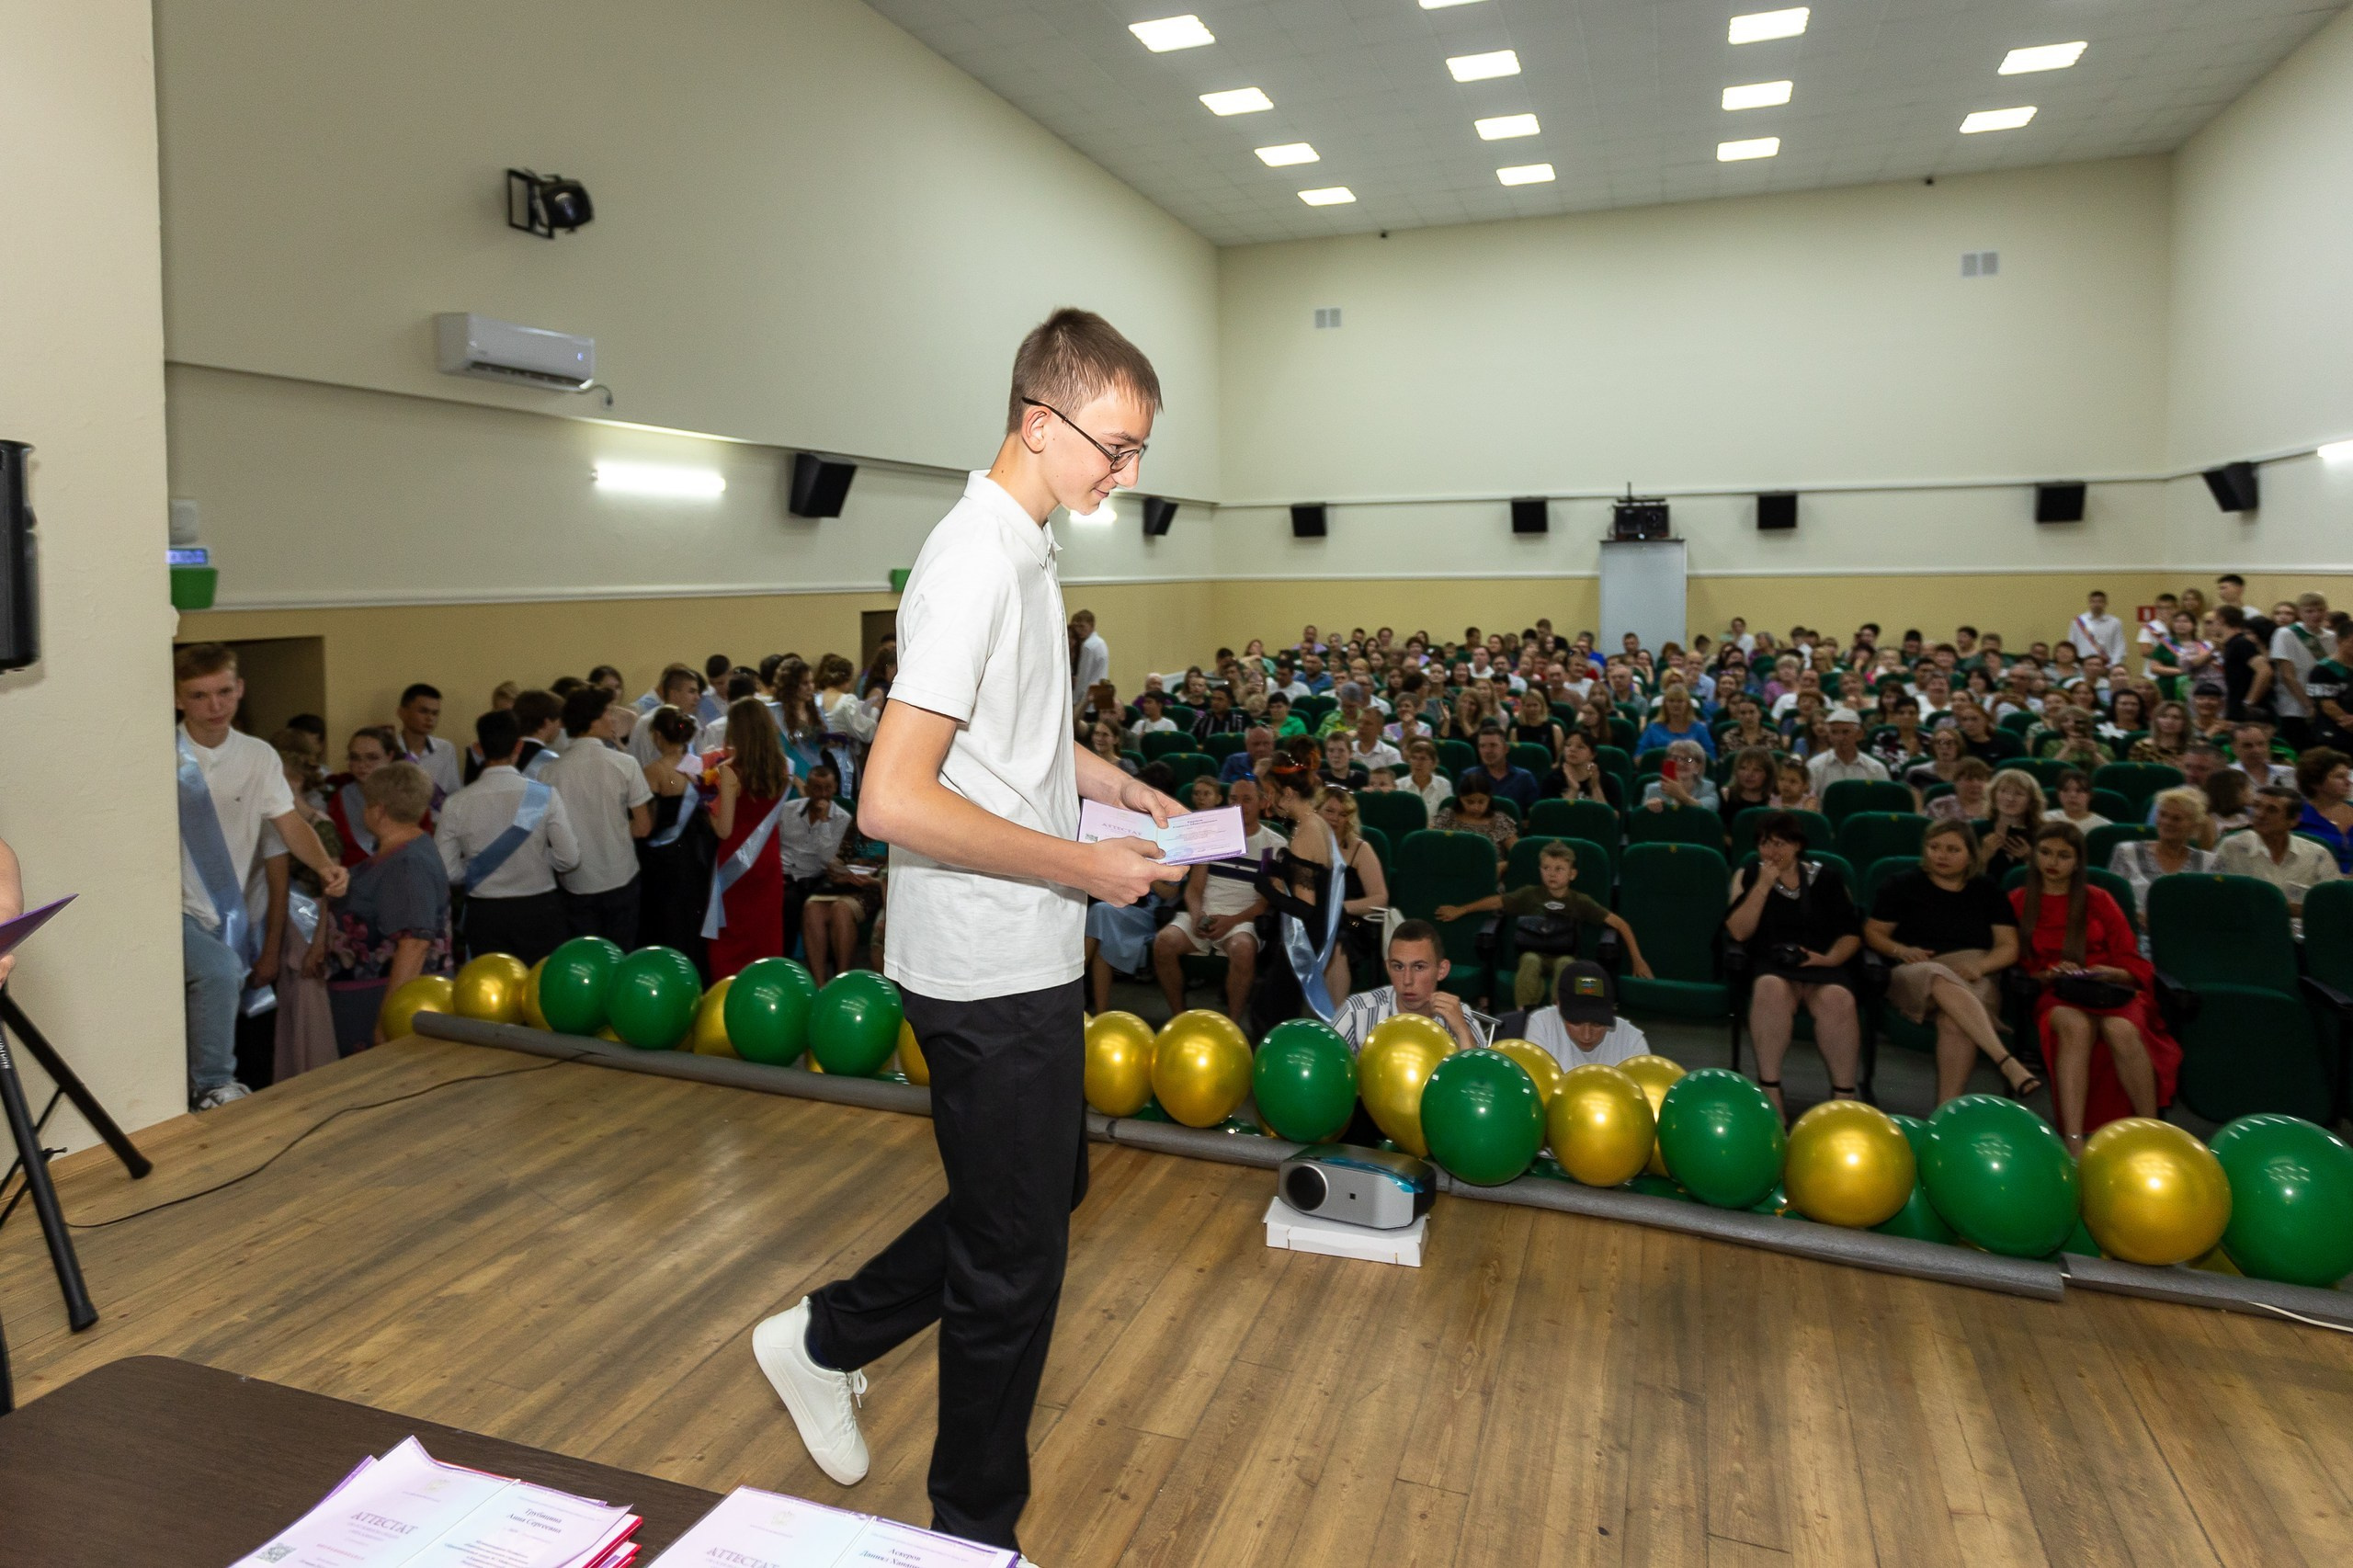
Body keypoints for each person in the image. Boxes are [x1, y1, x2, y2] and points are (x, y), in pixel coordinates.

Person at [754, 309, 1181, 1558]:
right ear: (1040, 424)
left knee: (1041, 1195)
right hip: (986, 962)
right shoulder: (976, 559)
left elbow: (1003, 744)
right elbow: (892, 798)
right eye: (1118, 445)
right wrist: (1084, 866)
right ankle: (970, 1533)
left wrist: (1114, 787)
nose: (1129, 473)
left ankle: (826, 1334)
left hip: (1023, 945)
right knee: (1014, 1266)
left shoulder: (1027, 547)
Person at [175, 644, 349, 1110]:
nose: (215, 706)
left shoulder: (259, 756)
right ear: (177, 698)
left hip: (229, 911)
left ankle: (200, 1087)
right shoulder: (160, 756)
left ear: (240, 690)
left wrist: (324, 865)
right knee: (219, 971)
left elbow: (288, 822)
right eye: (199, 695)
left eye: (224, 692)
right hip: (173, 909)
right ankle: (213, 1083)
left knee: (210, 993)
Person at [2014, 823, 2179, 1154]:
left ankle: (2152, 1131)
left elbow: (2132, 961)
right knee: (2074, 1026)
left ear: (2077, 862)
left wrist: (2112, 973)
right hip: (2057, 993)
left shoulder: (2099, 899)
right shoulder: (2018, 901)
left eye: (2063, 855)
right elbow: (2016, 968)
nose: (2053, 862)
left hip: (2111, 989)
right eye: (2045, 852)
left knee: (2120, 1029)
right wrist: (2048, 974)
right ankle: (2073, 1140)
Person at [1864, 820, 2037, 1106]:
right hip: (1917, 970)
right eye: (1934, 847)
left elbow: (2008, 947)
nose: (1941, 855)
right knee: (1938, 974)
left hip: (1974, 971)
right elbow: (1873, 932)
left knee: (1954, 1022)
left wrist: (1981, 968)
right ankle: (2005, 1061)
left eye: (1952, 849)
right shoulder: (1901, 884)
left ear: (1971, 853)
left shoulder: (1987, 889)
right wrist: (1901, 950)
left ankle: (1943, 1114)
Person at [1725, 812, 1863, 1119]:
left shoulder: (1826, 877)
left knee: (1837, 999)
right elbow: (1738, 931)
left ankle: (1843, 1096)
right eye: (1764, 844)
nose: (1771, 852)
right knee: (1769, 989)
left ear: (1797, 845)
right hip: (1771, 964)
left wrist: (1829, 959)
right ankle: (1770, 1088)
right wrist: (1762, 886)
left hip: (1822, 963)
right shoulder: (1750, 874)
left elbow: (1851, 934)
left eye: (1779, 844)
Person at [318, 761, 451, 1052]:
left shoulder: (407, 864)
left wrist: (387, 1021)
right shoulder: (400, 853)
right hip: (361, 998)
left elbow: (414, 943)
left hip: (379, 999)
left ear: (378, 810)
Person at [436, 709, 579, 966]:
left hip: (485, 913)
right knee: (539, 991)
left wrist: (473, 868)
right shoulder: (545, 795)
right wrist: (540, 860)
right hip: (540, 908)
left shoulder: (456, 804)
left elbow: (446, 871)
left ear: (478, 748)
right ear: (519, 746)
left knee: (493, 994)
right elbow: (569, 858)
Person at [1435, 839, 1651, 1008]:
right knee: (1529, 960)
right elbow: (1496, 901)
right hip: (1533, 953)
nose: (1552, 874)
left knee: (1566, 964)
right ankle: (1524, 1012)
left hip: (1563, 955)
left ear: (1572, 874)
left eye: (1559, 869)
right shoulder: (1530, 894)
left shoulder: (1579, 900)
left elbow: (1620, 924)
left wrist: (1637, 959)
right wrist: (1461, 909)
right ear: (1540, 870)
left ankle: (1559, 1012)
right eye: (1546, 868)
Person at [1150, 778, 1282, 1020]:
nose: (1239, 805)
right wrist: (1197, 914)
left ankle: (1232, 1024)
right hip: (1204, 914)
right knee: (1163, 943)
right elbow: (1194, 889)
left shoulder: (1273, 845)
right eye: (1233, 799)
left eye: (1247, 799)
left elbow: (1265, 902)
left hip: (1242, 920)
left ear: (1263, 803)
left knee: (1243, 949)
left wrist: (1231, 921)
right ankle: (1178, 1017)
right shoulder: (1212, 837)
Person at [546, 687, 654, 947]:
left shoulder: (549, 773)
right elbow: (643, 827)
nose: (614, 719)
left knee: (585, 958)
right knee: (620, 955)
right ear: (593, 721)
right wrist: (614, 827)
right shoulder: (625, 764)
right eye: (608, 712)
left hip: (576, 881)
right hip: (621, 875)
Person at [705, 698, 792, 978]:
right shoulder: (782, 768)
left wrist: (705, 802)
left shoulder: (730, 770)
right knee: (764, 932)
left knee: (731, 935)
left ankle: (727, 993)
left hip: (736, 863)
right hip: (767, 860)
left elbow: (723, 829)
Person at [1330, 919, 1490, 1053]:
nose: (1407, 980)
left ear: (1442, 970)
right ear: (1388, 968)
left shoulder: (1460, 1016)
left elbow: (1481, 1083)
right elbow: (1324, 1066)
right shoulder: (1357, 1011)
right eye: (1398, 967)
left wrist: (1462, 1032)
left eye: (1419, 967)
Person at [635, 707, 714, 973]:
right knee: (693, 915)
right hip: (698, 851)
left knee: (666, 918)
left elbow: (648, 818)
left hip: (663, 856)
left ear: (657, 735)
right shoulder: (700, 766)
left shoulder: (653, 770)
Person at [776, 760, 855, 974]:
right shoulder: (788, 810)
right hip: (783, 874)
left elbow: (829, 859)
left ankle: (807, 968)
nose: (821, 794)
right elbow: (774, 844)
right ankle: (779, 964)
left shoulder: (842, 818)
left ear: (835, 788)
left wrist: (824, 823)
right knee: (782, 898)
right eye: (816, 788)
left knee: (793, 903)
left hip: (815, 876)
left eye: (827, 788)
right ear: (807, 788)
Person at [801, 794, 888, 984]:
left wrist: (872, 878)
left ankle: (841, 980)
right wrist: (836, 867)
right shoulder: (857, 822)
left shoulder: (895, 826)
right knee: (812, 908)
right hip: (848, 881)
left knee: (841, 909)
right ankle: (820, 984)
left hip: (876, 887)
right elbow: (842, 855)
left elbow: (892, 873)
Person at [2218, 785, 2339, 917]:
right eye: (2256, 806)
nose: (2260, 815)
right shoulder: (2231, 848)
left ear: (2293, 821)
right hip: (2246, 931)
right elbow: (2212, 894)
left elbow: (2336, 904)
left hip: (2303, 934)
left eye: (2272, 810)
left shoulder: (2317, 856)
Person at [2109, 787, 2218, 921]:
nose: (2166, 822)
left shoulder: (2211, 862)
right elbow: (2111, 903)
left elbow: (2214, 912)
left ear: (2194, 826)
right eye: (2163, 815)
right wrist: (2136, 917)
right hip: (2135, 934)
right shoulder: (2126, 852)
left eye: (2176, 819)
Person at [324, 726, 404, 867]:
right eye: (355, 758)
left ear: (390, 757)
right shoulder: (339, 798)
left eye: (372, 757)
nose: (362, 765)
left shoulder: (410, 796)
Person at [2268, 593, 2336, 747]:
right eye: (2309, 611)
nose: (2315, 615)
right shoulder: (2286, 634)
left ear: (2326, 612)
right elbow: (2287, 675)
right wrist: (2309, 705)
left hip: (2325, 707)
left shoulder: (2332, 637)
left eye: (2320, 610)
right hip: (2294, 707)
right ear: (2300, 613)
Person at [396, 683, 464, 799]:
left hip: (437, 816)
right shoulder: (390, 749)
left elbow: (454, 793)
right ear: (402, 713)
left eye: (435, 713)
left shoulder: (446, 749)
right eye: (423, 711)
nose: (430, 718)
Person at [1978, 769, 2045, 882]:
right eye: (2003, 791)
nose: (2010, 799)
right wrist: (1983, 858)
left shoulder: (2044, 833)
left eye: (2019, 794)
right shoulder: (1976, 830)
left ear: (2031, 801)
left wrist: (2030, 858)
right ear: (1993, 796)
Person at [2295, 747, 2353, 872]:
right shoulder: (2297, 816)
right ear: (2315, 782)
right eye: (2339, 777)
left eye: (2348, 776)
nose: (2348, 782)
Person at [1805, 706, 1888, 790]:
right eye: (1834, 732)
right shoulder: (1815, 766)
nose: (1840, 738)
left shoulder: (1876, 769)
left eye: (1846, 732)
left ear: (1859, 734)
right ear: (1829, 736)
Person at [1461, 724, 1540, 812]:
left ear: (1506, 749)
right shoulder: (1468, 777)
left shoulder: (1524, 778)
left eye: (1493, 745)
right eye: (1482, 746)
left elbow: (1533, 816)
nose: (1487, 751)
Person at [2215, 605, 2274, 722]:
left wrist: (2249, 702)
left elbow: (2265, 671)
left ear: (2221, 620)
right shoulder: (2231, 645)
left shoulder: (2241, 643)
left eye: (2212, 621)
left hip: (2246, 713)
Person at [1641, 739, 1722, 816]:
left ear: (1698, 767)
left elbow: (1708, 814)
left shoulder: (1708, 788)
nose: (1681, 763)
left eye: (1688, 760)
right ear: (1667, 763)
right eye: (1675, 758)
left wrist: (1681, 796)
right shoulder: (1653, 789)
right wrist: (1649, 809)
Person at [2070, 590, 2128, 668]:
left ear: (2106, 603)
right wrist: (2075, 665)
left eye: (2100, 602)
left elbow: (2119, 646)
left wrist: (2113, 666)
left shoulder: (2115, 622)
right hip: (2083, 666)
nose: (2096, 604)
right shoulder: (2078, 622)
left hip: (2106, 666)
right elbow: (2072, 644)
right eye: (2093, 602)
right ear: (2089, 603)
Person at [1399, 736, 1454, 815]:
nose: (1418, 763)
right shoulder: (1399, 784)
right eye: (1414, 758)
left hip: (1435, 827)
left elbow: (1448, 815)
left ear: (1434, 763)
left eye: (1423, 758)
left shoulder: (1444, 784)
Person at [1069, 608, 1108, 710]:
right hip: (1102, 694)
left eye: (1082, 626)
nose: (1079, 630)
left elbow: (1083, 677)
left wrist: (1075, 701)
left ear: (1091, 625)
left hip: (1089, 700)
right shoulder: (1101, 642)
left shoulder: (1088, 646)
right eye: (1077, 627)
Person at [2051, 768, 2109, 834]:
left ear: (2090, 795)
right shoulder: (2046, 820)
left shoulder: (2104, 826)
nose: (2072, 795)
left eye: (2079, 791)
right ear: (2058, 794)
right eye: (2065, 790)